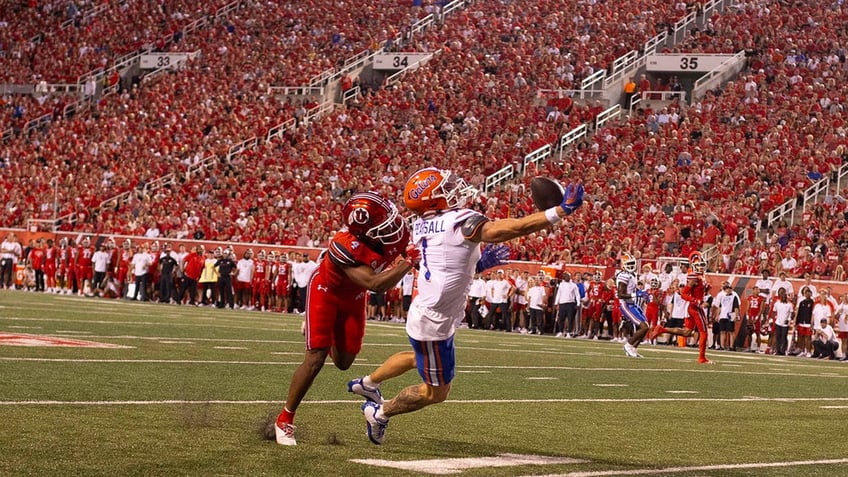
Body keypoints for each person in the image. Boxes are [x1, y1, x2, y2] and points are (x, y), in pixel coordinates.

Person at [347, 167, 583, 445]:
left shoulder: (423, 223)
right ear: (432, 199)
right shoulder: (458, 220)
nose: (453, 189)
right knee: (436, 393)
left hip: (427, 312)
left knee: (417, 358)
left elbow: (441, 260)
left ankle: (368, 383)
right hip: (435, 323)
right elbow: (506, 229)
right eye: (444, 188)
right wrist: (558, 212)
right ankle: (380, 413)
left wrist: (476, 264)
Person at [273, 192, 416, 446]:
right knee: (315, 359)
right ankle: (284, 419)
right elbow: (375, 284)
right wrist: (408, 263)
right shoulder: (342, 245)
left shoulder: (393, 232)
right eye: (383, 224)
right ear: (364, 232)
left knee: (343, 362)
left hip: (353, 297)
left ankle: (319, 331)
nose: (393, 227)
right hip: (326, 292)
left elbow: (408, 247)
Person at [649, 251, 712, 363]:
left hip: (693, 307)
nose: (701, 268)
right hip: (695, 307)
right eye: (699, 266)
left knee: (687, 332)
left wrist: (705, 289)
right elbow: (684, 294)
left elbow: (699, 291)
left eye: (702, 265)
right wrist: (695, 300)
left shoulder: (699, 276)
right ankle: (702, 357)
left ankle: (662, 329)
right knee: (704, 331)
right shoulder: (694, 277)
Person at [617, 253, 650, 357]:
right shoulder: (623, 275)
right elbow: (620, 294)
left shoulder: (633, 275)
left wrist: (642, 294)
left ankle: (633, 348)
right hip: (626, 305)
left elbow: (632, 290)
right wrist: (637, 294)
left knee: (646, 327)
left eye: (632, 263)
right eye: (628, 264)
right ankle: (628, 345)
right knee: (643, 327)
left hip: (633, 304)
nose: (631, 266)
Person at [768, 287, 794, 356]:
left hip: (785, 323)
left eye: (785, 296)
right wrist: (772, 320)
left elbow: (792, 313)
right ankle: (778, 350)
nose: (784, 298)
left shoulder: (789, 305)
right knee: (777, 337)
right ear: (780, 297)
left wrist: (788, 319)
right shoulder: (777, 303)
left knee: (784, 337)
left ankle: (784, 350)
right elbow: (774, 312)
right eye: (782, 296)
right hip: (778, 322)